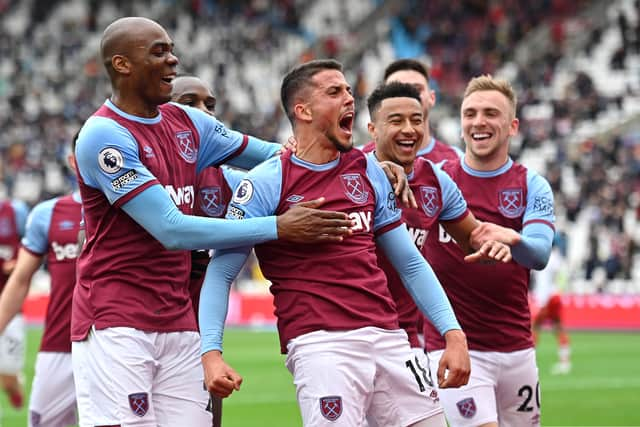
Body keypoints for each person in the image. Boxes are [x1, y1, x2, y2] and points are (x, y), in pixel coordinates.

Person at [72, 17, 355, 427]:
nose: (173, 60)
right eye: (158, 52)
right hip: (117, 319)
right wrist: (278, 226)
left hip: (177, 318)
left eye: (170, 49)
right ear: (121, 64)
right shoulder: (104, 136)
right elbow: (171, 229)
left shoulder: (189, 123)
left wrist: (369, 168)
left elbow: (284, 157)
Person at [199, 59, 470, 427]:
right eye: (334, 92)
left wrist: (452, 333)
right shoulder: (266, 182)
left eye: (347, 90)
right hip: (322, 346)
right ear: (303, 110)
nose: (349, 98)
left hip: (390, 339)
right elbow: (220, 273)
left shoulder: (369, 169)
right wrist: (211, 353)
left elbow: (410, 262)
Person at [422, 75, 555, 427]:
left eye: (490, 113)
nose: (478, 121)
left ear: (512, 126)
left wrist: (513, 238)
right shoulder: (436, 179)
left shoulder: (531, 184)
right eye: (470, 113)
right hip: (456, 346)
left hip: (516, 348)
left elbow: (539, 254)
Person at [365, 81, 512, 396]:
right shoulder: (348, 171)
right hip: (348, 332)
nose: (409, 129)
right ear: (372, 129)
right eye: (396, 121)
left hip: (402, 335)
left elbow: (473, 237)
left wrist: (493, 244)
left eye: (416, 120)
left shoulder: (436, 181)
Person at [171, 74, 242, 427]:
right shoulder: (139, 171)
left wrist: (368, 167)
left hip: (199, 338)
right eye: (190, 103)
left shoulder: (227, 180)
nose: (204, 113)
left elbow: (293, 173)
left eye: (210, 105)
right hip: (136, 330)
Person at [0, 135, 82, 427]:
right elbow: (21, 279)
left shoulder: (132, 210)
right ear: (73, 162)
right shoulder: (47, 214)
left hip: (117, 342)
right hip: (59, 343)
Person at [362, 58, 462, 164]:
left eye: (417, 89)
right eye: (397, 90)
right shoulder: (359, 160)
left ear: (432, 98)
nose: (408, 96)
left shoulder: (456, 160)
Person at [0, 196, 29, 410]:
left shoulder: (16, 210)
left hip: (9, 306)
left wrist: (18, 264)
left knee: (8, 379)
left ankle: (13, 385)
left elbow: (32, 245)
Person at [531, 232, 571, 375]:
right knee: (558, 328)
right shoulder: (558, 258)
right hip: (556, 295)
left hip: (547, 297)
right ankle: (565, 362)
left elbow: (543, 282)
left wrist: (542, 302)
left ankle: (530, 361)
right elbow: (563, 276)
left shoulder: (544, 257)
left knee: (534, 327)